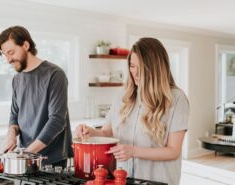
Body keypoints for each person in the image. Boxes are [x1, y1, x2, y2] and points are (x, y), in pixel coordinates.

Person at [76, 37, 189, 185]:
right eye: (132, 66)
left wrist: (134, 151)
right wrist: (91, 132)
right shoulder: (123, 96)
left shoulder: (176, 98)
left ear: (155, 68)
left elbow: (173, 151)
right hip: (122, 179)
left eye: (140, 67)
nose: (135, 72)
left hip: (157, 180)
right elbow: (106, 133)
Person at [0, 26, 73, 167]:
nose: (8, 60)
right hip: (25, 157)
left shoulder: (55, 74)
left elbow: (57, 121)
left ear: (26, 45)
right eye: (5, 55)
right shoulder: (17, 80)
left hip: (51, 161)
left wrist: (26, 155)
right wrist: (11, 135)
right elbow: (14, 116)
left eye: (11, 52)